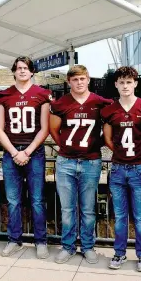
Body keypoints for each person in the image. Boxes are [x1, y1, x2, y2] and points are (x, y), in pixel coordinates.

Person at [49, 65, 112, 264]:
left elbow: (111, 127)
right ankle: (68, 246)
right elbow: (54, 130)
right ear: (69, 82)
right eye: (75, 79)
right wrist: (66, 148)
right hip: (66, 161)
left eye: (82, 79)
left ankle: (87, 246)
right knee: (67, 209)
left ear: (88, 80)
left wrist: (95, 144)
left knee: (87, 208)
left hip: (90, 162)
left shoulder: (100, 103)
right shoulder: (61, 104)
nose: (79, 83)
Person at [101, 66, 141, 272]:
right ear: (116, 84)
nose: (125, 86)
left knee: (140, 215)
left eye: (129, 82)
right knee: (119, 214)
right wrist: (120, 154)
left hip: (139, 168)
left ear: (135, 83)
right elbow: (107, 138)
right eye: (121, 82)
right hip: (117, 168)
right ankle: (120, 253)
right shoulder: (109, 110)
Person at [0, 56, 52, 259]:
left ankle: (40, 240)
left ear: (32, 71)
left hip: (34, 152)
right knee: (13, 200)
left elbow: (45, 128)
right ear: (13, 71)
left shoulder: (42, 94)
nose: (22, 71)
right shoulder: (4, 95)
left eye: (25, 68)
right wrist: (14, 152)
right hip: (11, 152)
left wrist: (26, 152)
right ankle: (14, 239)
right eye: (18, 68)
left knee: (37, 199)